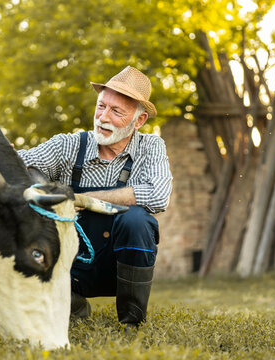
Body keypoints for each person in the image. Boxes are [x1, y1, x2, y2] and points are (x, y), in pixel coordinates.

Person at [17, 66, 173, 329]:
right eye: (101, 106)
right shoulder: (69, 145)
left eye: (116, 111)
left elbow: (158, 195)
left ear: (139, 120)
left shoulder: (151, 147)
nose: (103, 117)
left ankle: (132, 322)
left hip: (120, 267)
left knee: (137, 220)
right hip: (70, 266)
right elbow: (21, 164)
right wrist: (4, 156)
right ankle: (72, 302)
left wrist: (81, 199)